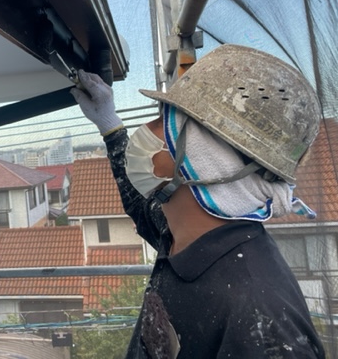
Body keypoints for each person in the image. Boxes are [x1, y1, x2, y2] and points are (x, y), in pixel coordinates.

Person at [71, 44, 326, 358]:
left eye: (162, 122)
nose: (146, 130)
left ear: (204, 160)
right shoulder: (185, 236)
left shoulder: (262, 318)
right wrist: (110, 126)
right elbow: (140, 206)